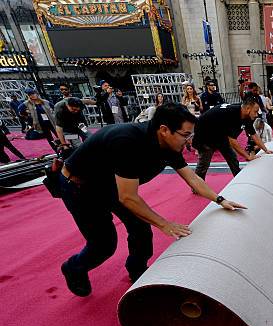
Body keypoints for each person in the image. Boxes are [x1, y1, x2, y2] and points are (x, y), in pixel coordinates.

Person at [58, 103, 246, 296]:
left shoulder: (170, 146)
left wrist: (220, 199)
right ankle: (73, 267)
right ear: (164, 130)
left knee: (140, 229)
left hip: (111, 183)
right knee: (104, 245)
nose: (190, 140)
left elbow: (192, 178)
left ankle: (137, 271)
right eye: (185, 135)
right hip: (80, 188)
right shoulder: (128, 142)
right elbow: (128, 197)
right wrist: (165, 224)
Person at [192, 94, 273, 181]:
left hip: (220, 133)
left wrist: (266, 150)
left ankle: (238, 179)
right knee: (204, 162)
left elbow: (253, 134)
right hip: (205, 134)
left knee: (232, 157)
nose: (256, 115)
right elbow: (233, 141)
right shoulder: (232, 114)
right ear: (248, 109)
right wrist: (247, 156)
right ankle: (197, 184)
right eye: (255, 111)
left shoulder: (247, 116)